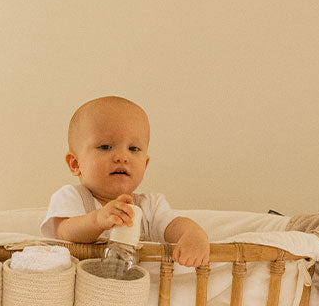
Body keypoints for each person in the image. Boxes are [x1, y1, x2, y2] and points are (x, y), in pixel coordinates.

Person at [41, 96, 210, 269]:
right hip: (86, 285)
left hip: (136, 286)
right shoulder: (71, 196)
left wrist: (193, 233)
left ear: (145, 164)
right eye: (105, 147)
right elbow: (64, 232)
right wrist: (97, 220)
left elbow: (172, 225)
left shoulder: (150, 205)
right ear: (75, 164)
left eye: (133, 149)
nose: (122, 157)